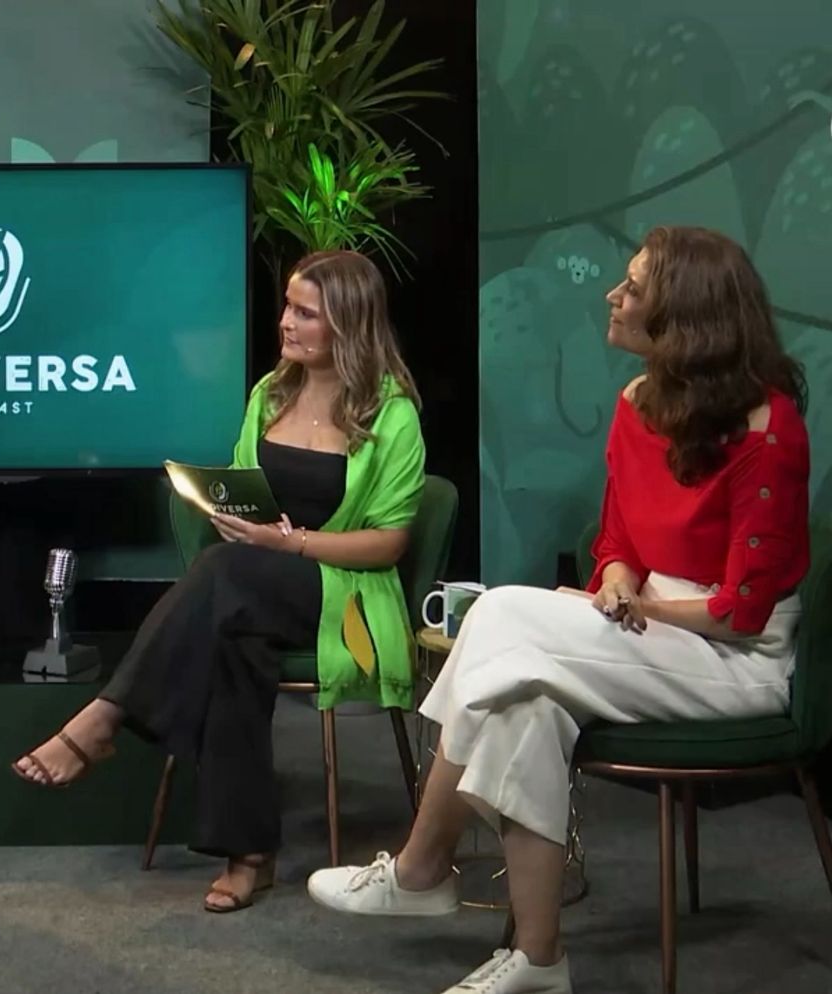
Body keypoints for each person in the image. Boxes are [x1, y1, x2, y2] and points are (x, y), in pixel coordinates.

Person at [306, 225, 810, 994]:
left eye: (633, 288)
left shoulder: (769, 430)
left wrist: (638, 608)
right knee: (525, 707)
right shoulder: (637, 401)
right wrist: (616, 583)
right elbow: (617, 539)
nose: (612, 295)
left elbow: (741, 612)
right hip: (645, 627)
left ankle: (421, 866)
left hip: (735, 658)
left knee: (502, 614)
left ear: (684, 317)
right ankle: (540, 960)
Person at [11, 250, 427, 912]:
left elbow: (388, 543)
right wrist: (228, 510)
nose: (285, 322)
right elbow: (244, 487)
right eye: (287, 306)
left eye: (305, 313)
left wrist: (289, 543)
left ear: (347, 325)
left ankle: (105, 717)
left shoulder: (392, 414)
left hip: (340, 590)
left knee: (224, 575)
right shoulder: (270, 395)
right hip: (253, 585)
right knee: (237, 640)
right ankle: (248, 851)